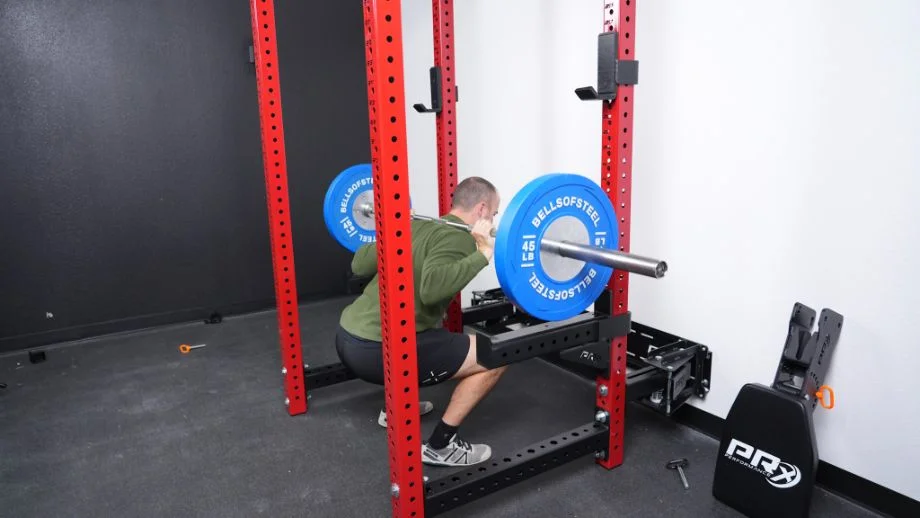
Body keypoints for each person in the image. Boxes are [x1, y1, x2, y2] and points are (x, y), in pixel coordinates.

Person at [335, 177, 507, 467]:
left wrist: (391, 227)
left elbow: (358, 265)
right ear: (481, 209)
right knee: (498, 353)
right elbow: (431, 291)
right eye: (494, 213)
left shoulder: (413, 225)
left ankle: (396, 410)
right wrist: (482, 254)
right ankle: (442, 445)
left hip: (347, 337)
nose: (493, 219)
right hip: (378, 352)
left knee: (426, 331)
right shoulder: (459, 238)